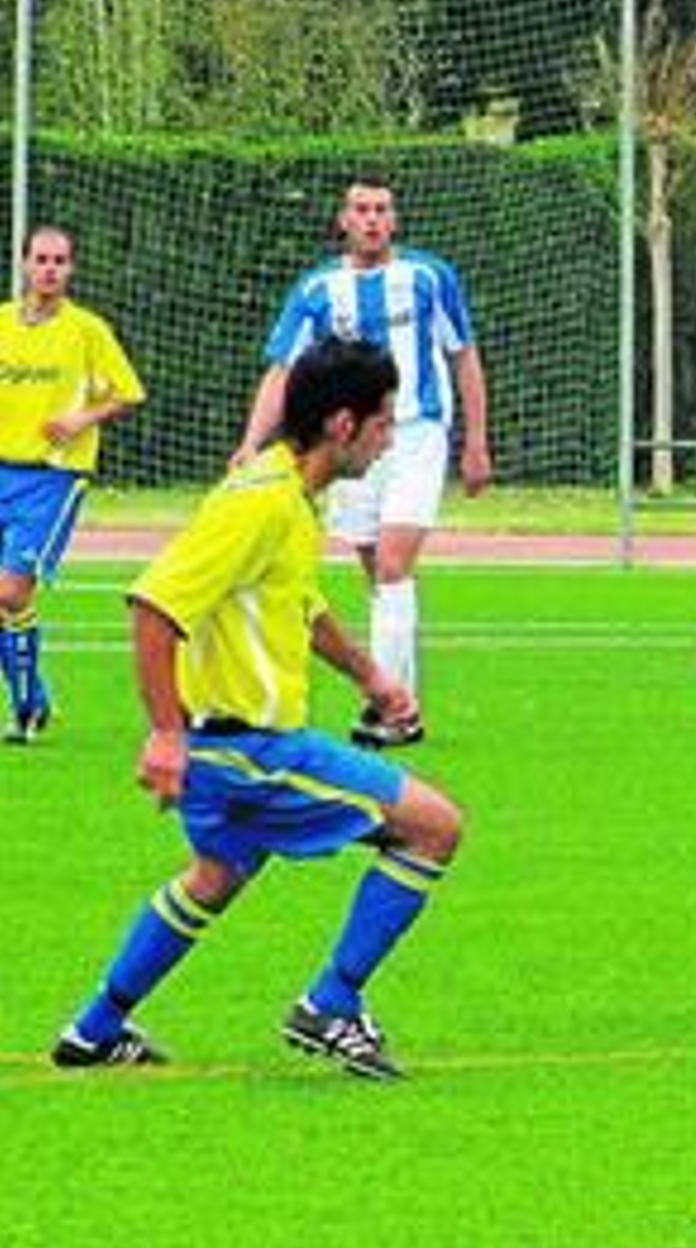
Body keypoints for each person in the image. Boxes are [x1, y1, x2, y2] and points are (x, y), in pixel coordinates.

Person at [51, 338, 463, 1081]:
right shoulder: (258, 504)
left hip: (229, 750)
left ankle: (95, 1029)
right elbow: (153, 607)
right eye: (384, 420)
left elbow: (300, 607)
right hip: (249, 751)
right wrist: (166, 735)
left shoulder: (293, 497)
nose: (390, 436)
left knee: (215, 876)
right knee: (434, 827)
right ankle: (331, 1004)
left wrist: (370, 674)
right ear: (342, 424)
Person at [234, 178, 492, 748]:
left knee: (396, 565)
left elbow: (463, 355)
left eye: (381, 210)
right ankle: (407, 703)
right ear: (343, 220)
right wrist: (252, 441)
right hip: (349, 446)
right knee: (379, 573)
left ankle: (384, 709)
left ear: (394, 220)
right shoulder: (318, 290)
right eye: (361, 209)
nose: (372, 219)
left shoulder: (429, 277)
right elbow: (282, 369)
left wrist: (476, 441)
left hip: (417, 435)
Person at [0, 225, 145, 743]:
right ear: (23, 265)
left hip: (54, 477)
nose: (49, 269)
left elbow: (128, 393)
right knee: (4, 599)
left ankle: (24, 713)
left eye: (59, 261)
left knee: (12, 591)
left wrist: (81, 419)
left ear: (72, 269)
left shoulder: (88, 330)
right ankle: (34, 702)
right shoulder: (2, 324)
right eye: (40, 259)